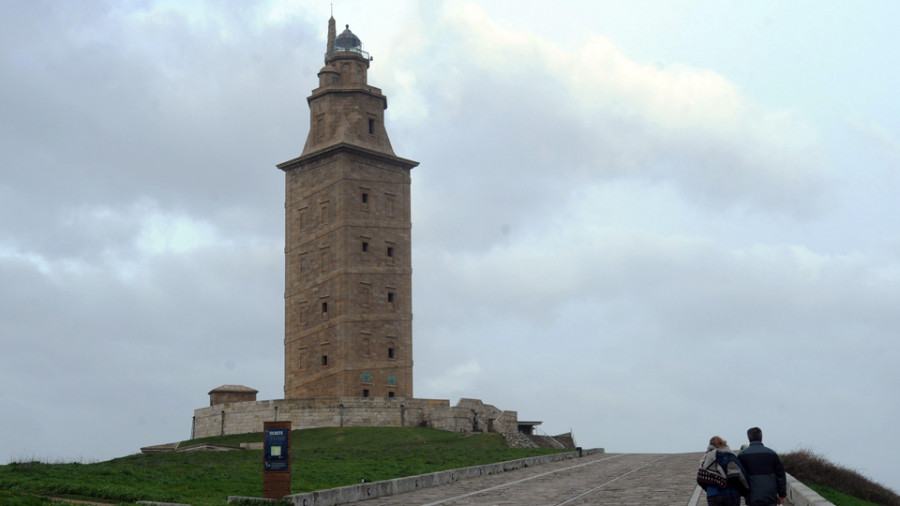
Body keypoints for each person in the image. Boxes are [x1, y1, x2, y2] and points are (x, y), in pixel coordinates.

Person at [738, 427, 787, 506]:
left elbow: (740, 477)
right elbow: (780, 476)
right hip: (770, 498)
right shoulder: (772, 454)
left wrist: (743, 493)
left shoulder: (742, 456)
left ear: (748, 438)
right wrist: (782, 495)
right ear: (761, 437)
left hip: (752, 498)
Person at [699, 436, 744, 506]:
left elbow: (700, 479)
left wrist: (709, 489)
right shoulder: (729, 455)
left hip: (713, 495)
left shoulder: (705, 458)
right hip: (731, 493)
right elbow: (741, 473)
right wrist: (744, 489)